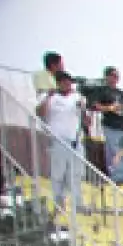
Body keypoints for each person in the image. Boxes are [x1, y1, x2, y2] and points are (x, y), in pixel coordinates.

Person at [36, 72, 85, 213]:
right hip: (57, 140)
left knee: (76, 174)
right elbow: (40, 112)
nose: (67, 84)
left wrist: (82, 107)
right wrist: (48, 97)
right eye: (64, 82)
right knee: (58, 174)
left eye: (69, 82)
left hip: (75, 140)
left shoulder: (77, 97)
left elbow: (85, 118)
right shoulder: (51, 97)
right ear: (58, 83)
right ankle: (59, 204)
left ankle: (78, 204)